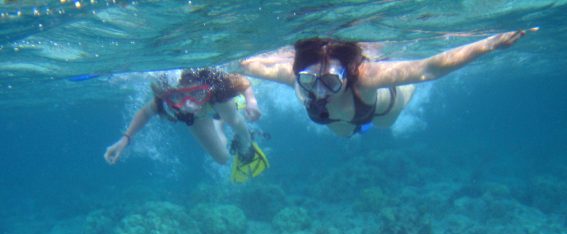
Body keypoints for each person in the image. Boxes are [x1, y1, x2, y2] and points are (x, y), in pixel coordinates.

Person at [240, 30, 534, 137]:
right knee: (342, 134)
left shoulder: (366, 77)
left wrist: (489, 45)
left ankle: (398, 101)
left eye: (330, 82)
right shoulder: (295, 78)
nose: (318, 91)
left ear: (347, 75)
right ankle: (354, 129)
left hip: (379, 109)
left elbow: (428, 69)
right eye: (308, 80)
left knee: (385, 124)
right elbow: (248, 65)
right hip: (339, 119)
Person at [104, 67, 269, 182]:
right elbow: (146, 112)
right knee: (222, 158)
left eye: (196, 93)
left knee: (234, 120)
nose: (188, 104)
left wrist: (251, 102)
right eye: (177, 97)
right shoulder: (164, 99)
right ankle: (217, 122)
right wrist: (124, 139)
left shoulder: (218, 87)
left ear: (206, 88)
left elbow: (243, 82)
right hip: (196, 118)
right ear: (168, 96)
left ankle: (244, 140)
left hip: (214, 102)